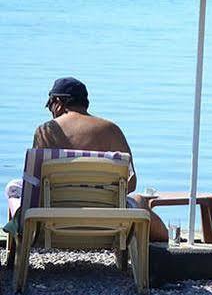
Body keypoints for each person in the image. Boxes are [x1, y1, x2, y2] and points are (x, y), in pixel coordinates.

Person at [31, 77, 169, 242]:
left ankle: (16, 258)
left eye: (50, 105)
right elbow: (131, 183)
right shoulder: (111, 130)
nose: (51, 111)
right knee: (139, 201)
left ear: (58, 102)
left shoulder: (46, 131)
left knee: (14, 188)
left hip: (53, 223)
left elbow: (35, 182)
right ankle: (168, 248)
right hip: (108, 224)